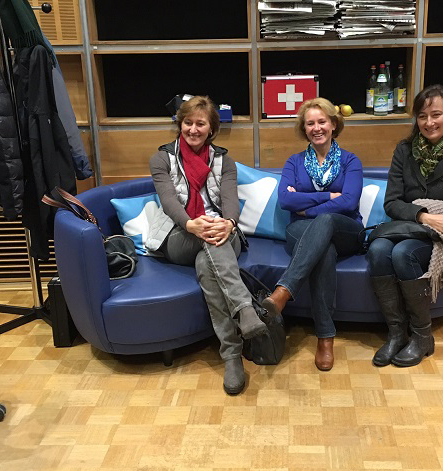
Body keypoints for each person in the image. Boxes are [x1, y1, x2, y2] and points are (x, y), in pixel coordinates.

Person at [147, 95, 268, 395]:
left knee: (208, 261)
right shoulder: (162, 159)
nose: (193, 129)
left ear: (211, 128)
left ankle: (231, 356)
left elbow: (230, 201)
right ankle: (244, 310)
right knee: (208, 239)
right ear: (180, 124)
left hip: (219, 235)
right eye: (188, 122)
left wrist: (229, 223)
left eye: (200, 124)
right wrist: (191, 224)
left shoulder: (224, 161)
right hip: (180, 235)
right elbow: (169, 201)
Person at [367, 84, 443, 368]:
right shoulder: (404, 150)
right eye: (422, 116)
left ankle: (421, 336)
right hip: (409, 226)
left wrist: (437, 221)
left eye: (436, 114)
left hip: (442, 236)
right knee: (378, 249)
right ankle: (396, 334)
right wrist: (425, 215)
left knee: (402, 253)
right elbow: (392, 203)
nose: (429, 122)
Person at [261, 98, 364, 371]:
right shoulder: (294, 162)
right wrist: (328, 196)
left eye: (322, 122)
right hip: (302, 230)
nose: (316, 128)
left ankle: (283, 292)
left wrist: (306, 206)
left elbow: (350, 202)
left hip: (346, 229)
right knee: (324, 250)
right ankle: (325, 338)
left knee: (327, 220)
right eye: (310, 123)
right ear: (304, 128)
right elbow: (286, 200)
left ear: (333, 124)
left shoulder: (350, 161)